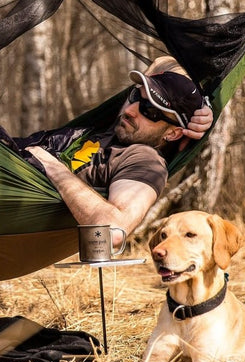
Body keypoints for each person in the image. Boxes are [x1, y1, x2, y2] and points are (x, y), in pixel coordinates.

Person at [26, 58, 209, 248]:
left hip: (4, 179)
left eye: (150, 110)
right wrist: (207, 104)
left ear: (172, 133)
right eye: (136, 96)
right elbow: (163, 62)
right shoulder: (121, 126)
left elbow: (112, 231)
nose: (129, 110)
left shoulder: (145, 161)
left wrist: (52, 166)